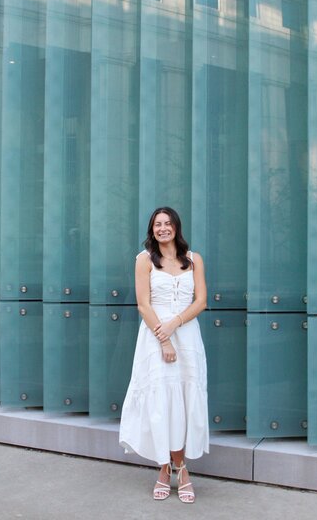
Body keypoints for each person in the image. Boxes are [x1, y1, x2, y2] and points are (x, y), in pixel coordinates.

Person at [119, 206, 209, 503]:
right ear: (152, 229)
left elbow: (201, 301)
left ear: (176, 227)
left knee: (183, 401)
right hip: (154, 338)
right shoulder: (144, 260)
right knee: (162, 402)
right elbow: (144, 305)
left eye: (168, 223)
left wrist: (176, 323)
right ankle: (164, 468)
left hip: (187, 337)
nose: (163, 228)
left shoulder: (194, 259)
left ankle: (180, 468)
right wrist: (165, 339)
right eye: (157, 224)